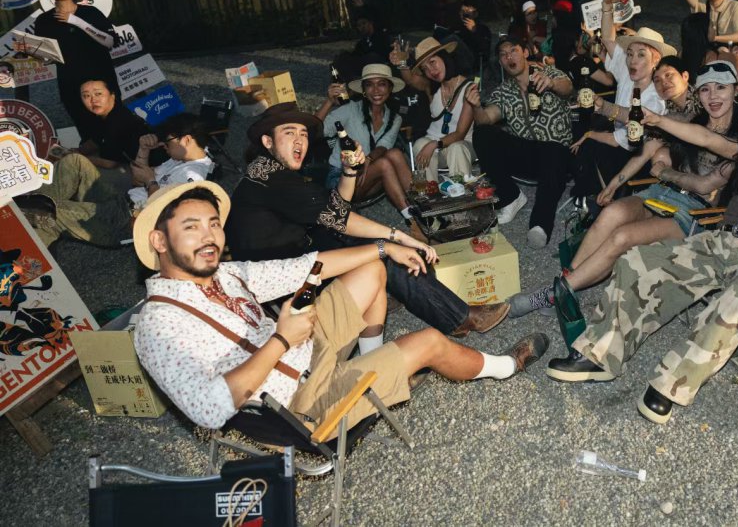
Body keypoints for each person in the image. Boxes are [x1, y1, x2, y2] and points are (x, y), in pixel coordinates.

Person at [545, 83, 738, 425]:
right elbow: (706, 138)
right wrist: (658, 121)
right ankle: (600, 355)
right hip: (720, 241)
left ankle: (673, 382)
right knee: (637, 261)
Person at [132, 182, 549, 435]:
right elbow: (208, 409)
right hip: (299, 400)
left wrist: (386, 247)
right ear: (159, 241)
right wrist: (281, 340)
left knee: (371, 270)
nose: (209, 237)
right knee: (428, 342)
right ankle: (505, 366)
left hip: (301, 347)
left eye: (213, 224)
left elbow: (306, 266)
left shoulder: (225, 273)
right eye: (191, 227)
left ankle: (376, 368)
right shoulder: (157, 324)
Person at [225, 103, 507, 338]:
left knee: (360, 239)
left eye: (303, 133)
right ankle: (459, 317)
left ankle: (405, 291)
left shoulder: (266, 171)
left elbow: (336, 209)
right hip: (282, 284)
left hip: (292, 256)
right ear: (268, 141)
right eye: (289, 133)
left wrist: (350, 171)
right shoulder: (271, 178)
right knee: (382, 252)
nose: (300, 141)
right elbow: (339, 216)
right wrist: (398, 236)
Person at [508, 62, 738, 317]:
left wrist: (665, 173)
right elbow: (644, 120)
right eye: (706, 89)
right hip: (661, 193)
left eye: (721, 88)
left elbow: (704, 184)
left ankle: (550, 295)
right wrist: (604, 106)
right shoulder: (692, 119)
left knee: (622, 237)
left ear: (736, 89)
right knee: (610, 213)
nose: (713, 96)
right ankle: (567, 284)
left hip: (694, 214)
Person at [18, 112, 213, 248]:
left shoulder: (194, 176)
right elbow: (137, 179)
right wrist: (143, 150)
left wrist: (151, 182)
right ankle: (32, 219)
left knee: (48, 210)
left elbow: (167, 214)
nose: (164, 146)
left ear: (187, 140)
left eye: (168, 141)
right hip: (120, 201)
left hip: (124, 221)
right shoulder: (179, 159)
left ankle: (29, 225)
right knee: (74, 162)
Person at [465, 37, 574, 248]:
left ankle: (540, 226)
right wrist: (476, 107)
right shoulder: (503, 91)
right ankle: (510, 197)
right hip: (529, 155)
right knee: (482, 133)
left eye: (513, 51)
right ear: (500, 62)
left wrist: (551, 83)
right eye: (503, 55)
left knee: (552, 151)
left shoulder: (548, 74)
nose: (509, 57)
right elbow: (486, 118)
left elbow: (567, 87)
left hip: (559, 153)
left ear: (525, 52)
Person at [570, 0, 676, 200]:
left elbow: (626, 130)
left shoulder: (657, 95)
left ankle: (600, 197)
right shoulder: (628, 72)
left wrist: (592, 131)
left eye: (641, 55)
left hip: (638, 153)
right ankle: (589, 190)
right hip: (618, 134)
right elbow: (608, 40)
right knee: (580, 123)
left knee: (593, 145)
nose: (632, 60)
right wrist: (607, 6)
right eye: (630, 54)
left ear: (655, 60)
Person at [19, 0, 117, 131]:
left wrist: (75, 21)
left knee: (114, 125)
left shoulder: (91, 12)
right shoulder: (44, 21)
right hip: (70, 82)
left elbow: (109, 42)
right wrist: (32, 50)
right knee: (87, 132)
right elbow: (48, 59)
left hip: (102, 77)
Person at [316, 63, 412, 214]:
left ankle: (421, 204)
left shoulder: (395, 118)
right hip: (341, 178)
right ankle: (411, 217)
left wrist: (368, 159)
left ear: (390, 88)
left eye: (382, 84)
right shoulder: (351, 109)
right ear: (364, 91)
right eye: (369, 85)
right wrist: (329, 102)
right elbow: (316, 131)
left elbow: (384, 146)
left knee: (395, 154)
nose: (376, 90)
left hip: (369, 175)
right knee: (384, 164)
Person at [390, 37, 476, 184]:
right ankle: (431, 191)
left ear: (444, 57)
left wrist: (434, 144)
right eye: (425, 68)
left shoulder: (469, 88)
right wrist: (402, 62)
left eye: (432, 62)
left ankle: (461, 192)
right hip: (436, 150)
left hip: (463, 146)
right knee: (420, 144)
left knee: (456, 148)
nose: (431, 71)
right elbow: (410, 79)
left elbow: (460, 134)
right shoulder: (432, 87)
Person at [75, 77, 156, 191]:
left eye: (98, 94)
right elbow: (96, 140)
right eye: (86, 96)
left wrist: (77, 158)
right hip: (132, 162)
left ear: (112, 95)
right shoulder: (104, 114)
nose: (93, 100)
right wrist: (76, 151)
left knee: (85, 175)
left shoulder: (118, 120)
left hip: (150, 169)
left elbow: (110, 163)